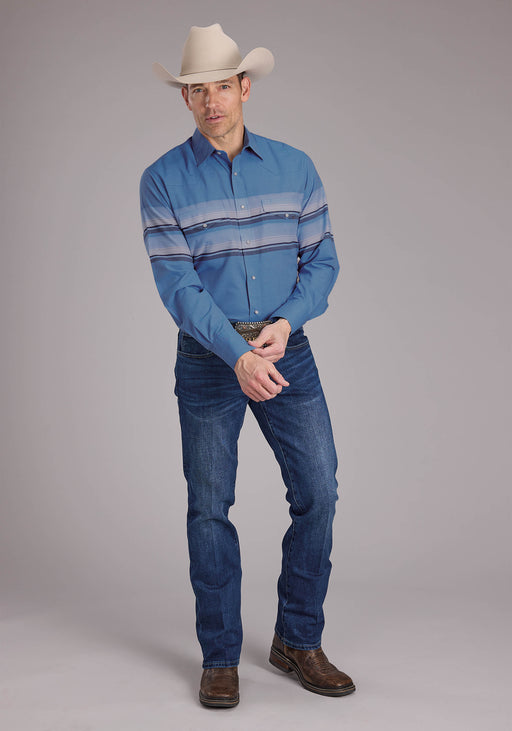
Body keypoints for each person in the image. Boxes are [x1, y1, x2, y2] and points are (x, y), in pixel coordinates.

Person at [139, 23, 355, 708]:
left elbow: (323, 261)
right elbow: (179, 287)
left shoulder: (296, 168)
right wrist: (235, 353)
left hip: (285, 347)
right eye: (197, 90)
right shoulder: (162, 181)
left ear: (244, 88)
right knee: (210, 506)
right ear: (186, 99)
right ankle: (219, 655)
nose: (212, 102)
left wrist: (286, 323)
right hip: (210, 357)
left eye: (222, 88)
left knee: (319, 490)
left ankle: (298, 639)